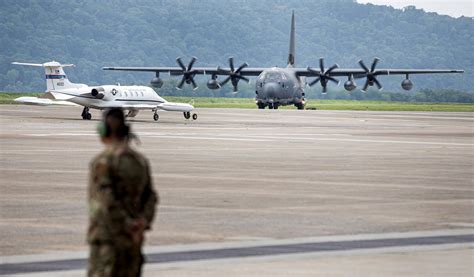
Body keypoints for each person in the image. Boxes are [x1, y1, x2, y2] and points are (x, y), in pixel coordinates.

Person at [87, 108, 158, 277]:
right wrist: (141, 225)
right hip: (133, 241)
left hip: (108, 241)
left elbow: (107, 202)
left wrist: (127, 225)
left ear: (104, 130)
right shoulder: (139, 161)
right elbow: (151, 198)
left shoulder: (103, 161)